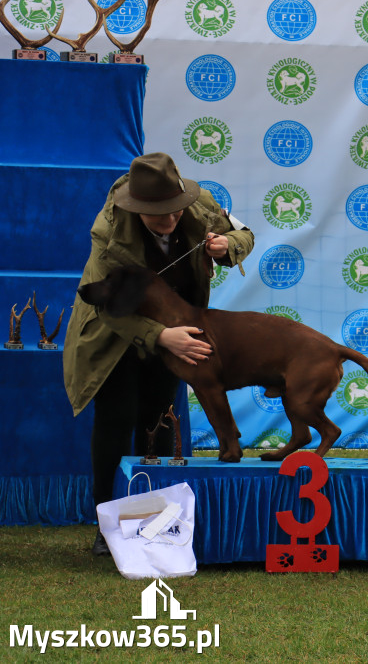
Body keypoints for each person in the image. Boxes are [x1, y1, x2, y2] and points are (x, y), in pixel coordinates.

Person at [63, 152, 254, 555]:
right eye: (158, 216)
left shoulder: (198, 207)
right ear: (136, 208)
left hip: (176, 332)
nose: (170, 221)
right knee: (116, 421)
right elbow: (107, 306)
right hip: (115, 331)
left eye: (174, 212)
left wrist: (227, 245)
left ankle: (158, 521)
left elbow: (245, 234)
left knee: (160, 422)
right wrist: (161, 336)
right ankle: (107, 524)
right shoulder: (109, 232)